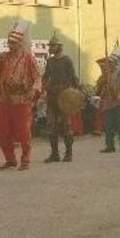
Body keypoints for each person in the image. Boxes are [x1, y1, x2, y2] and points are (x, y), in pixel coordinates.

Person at [0, 20, 41, 171]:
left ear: (20, 44)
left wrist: (34, 89)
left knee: (24, 131)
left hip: (22, 99)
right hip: (5, 99)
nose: (10, 45)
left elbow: (38, 77)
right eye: (9, 43)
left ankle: (25, 158)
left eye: (13, 43)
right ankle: (10, 159)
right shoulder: (3, 57)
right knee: (3, 130)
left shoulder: (28, 58)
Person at [42, 34, 78, 162]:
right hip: (52, 97)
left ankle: (68, 153)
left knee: (66, 126)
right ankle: (55, 154)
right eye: (50, 46)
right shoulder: (50, 61)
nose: (51, 48)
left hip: (65, 96)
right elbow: (46, 77)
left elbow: (73, 79)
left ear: (59, 46)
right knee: (51, 127)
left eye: (53, 45)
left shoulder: (67, 60)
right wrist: (45, 87)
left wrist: (72, 92)